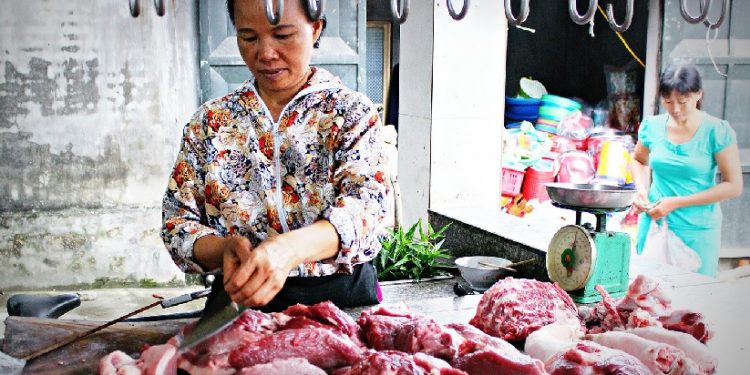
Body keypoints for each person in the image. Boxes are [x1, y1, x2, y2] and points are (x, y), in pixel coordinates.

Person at [161, 0, 391, 311]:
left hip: (341, 298)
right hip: (240, 301)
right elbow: (177, 224)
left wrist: (288, 250)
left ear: (315, 28)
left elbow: (366, 208)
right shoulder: (210, 123)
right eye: (249, 37)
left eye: (282, 36)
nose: (266, 53)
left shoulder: (350, 114)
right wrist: (223, 249)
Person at [632, 64, 742, 276]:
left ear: (698, 95)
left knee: (694, 299)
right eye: (668, 101)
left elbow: (733, 186)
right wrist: (642, 191)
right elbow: (639, 160)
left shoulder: (716, 131)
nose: (675, 109)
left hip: (697, 230)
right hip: (655, 223)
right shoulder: (651, 127)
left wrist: (677, 202)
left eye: (683, 102)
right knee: (647, 296)